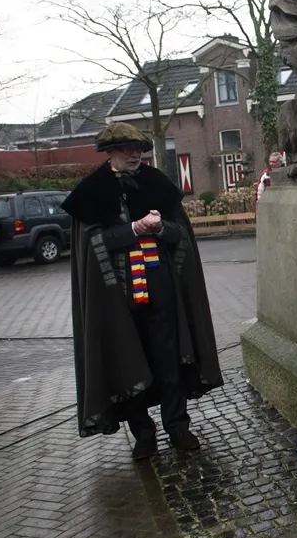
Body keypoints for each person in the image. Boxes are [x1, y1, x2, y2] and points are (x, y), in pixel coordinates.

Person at [61, 123, 223, 460]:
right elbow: (92, 245)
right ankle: (143, 435)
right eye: (126, 149)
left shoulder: (156, 184)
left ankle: (178, 427)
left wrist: (161, 226)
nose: (134, 154)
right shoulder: (91, 192)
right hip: (116, 298)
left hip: (161, 290)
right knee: (129, 362)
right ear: (109, 153)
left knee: (169, 360)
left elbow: (180, 235)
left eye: (138, 148)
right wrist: (133, 229)